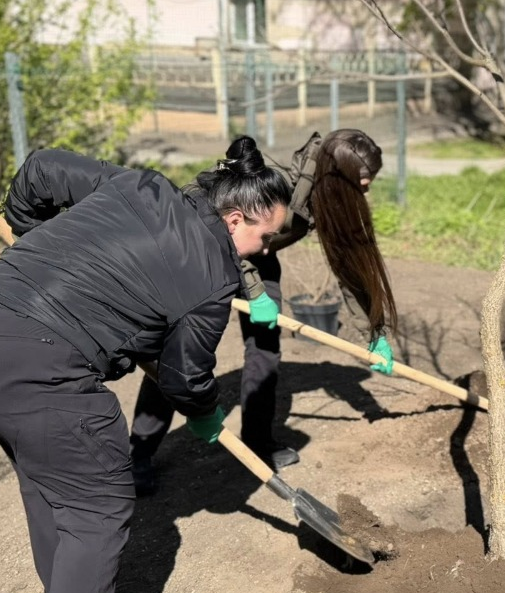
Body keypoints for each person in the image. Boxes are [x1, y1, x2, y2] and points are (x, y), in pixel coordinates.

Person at [0, 136, 291, 593]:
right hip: (41, 366)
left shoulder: (140, 186)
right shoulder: (211, 277)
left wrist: (30, 233)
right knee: (98, 504)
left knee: (52, 486)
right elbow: (183, 376)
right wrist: (205, 411)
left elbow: (42, 167)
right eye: (266, 236)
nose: (264, 249)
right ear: (236, 218)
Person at [129, 128, 399, 494]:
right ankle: (138, 455)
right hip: (205, 253)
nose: (366, 191)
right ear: (344, 175)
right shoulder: (269, 181)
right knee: (177, 352)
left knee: (266, 350)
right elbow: (217, 225)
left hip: (257, 255)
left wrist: (374, 332)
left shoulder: (329, 196)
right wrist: (255, 293)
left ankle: (256, 442)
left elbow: (351, 265)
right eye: (364, 183)